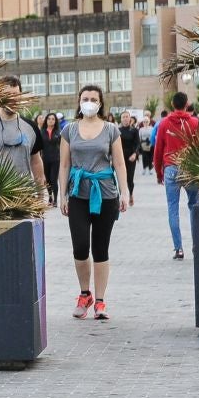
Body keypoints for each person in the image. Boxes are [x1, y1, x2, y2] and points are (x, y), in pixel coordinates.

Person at [60, 85, 131, 321]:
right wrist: (62, 195)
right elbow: (64, 165)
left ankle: (100, 301)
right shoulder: (69, 130)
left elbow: (119, 164)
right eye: (85, 98)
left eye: (93, 99)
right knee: (80, 247)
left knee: (100, 248)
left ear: (100, 103)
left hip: (105, 194)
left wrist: (125, 191)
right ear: (79, 102)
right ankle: (84, 294)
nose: (89, 102)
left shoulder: (111, 130)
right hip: (78, 194)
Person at [154, 91, 199, 260]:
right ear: (187, 104)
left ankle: (178, 249)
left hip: (171, 168)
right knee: (194, 206)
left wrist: (159, 173)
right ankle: (198, 246)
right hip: (190, 168)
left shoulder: (164, 123)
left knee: (173, 208)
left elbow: (158, 149)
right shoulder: (195, 122)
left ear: (173, 105)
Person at [118, 112, 140, 197]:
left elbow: (138, 144)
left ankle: (131, 194)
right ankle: (122, 196)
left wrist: (135, 154)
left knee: (129, 179)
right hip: (120, 158)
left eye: (127, 117)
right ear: (121, 119)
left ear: (130, 118)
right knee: (120, 178)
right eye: (123, 117)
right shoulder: (118, 131)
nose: (125, 118)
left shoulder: (134, 130)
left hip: (131, 157)